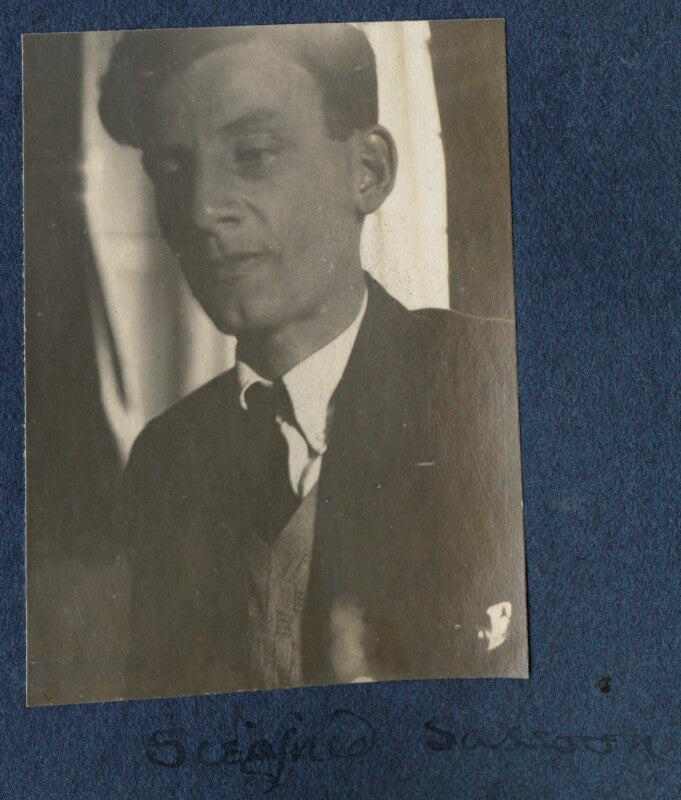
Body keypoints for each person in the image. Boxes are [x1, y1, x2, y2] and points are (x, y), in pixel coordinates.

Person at [99, 23, 527, 700]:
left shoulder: (496, 385)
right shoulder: (166, 459)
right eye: (171, 171)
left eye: (254, 154)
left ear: (368, 172)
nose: (202, 210)